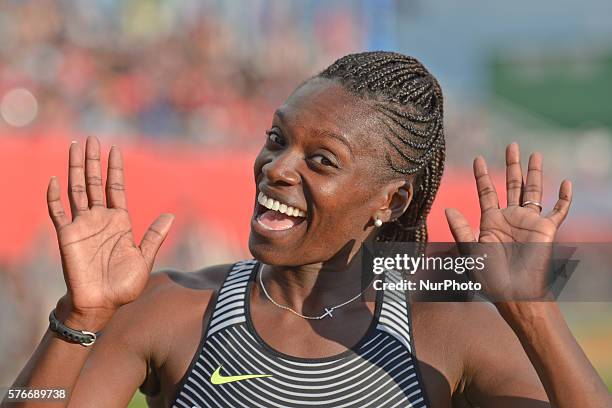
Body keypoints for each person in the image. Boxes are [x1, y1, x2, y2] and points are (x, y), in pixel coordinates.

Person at [3, 51, 610, 408]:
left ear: (391, 200)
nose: (277, 168)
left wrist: (533, 314)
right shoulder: (174, 307)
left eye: (321, 161)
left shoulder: (449, 331)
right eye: (276, 139)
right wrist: (77, 319)